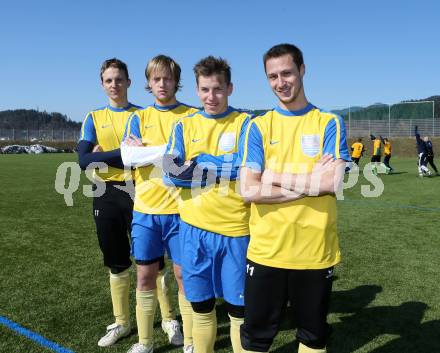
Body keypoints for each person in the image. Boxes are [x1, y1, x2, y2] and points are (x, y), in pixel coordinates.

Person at [239, 43, 350, 353]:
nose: (280, 82)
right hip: (266, 249)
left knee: (313, 335)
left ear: (302, 70)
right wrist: (310, 181)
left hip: (314, 250)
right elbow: (248, 190)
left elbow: (332, 181)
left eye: (286, 72)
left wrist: (272, 176)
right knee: (256, 337)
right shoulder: (257, 127)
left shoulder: (329, 122)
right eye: (272, 76)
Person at [77, 58, 177, 348]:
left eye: (119, 79)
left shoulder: (143, 115)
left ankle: (170, 318)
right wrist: (121, 153)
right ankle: (122, 322)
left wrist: (104, 154)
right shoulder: (94, 117)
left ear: (129, 82)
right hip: (105, 192)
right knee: (116, 262)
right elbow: (83, 160)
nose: (114, 85)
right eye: (109, 80)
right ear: (102, 84)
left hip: (141, 191)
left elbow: (156, 155)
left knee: (153, 262)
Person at [163, 56, 251, 353]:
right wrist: (221, 169)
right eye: (204, 90)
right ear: (197, 90)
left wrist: (200, 161)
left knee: (238, 311)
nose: (210, 97)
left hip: (235, 231)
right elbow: (171, 173)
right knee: (201, 307)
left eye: (217, 89)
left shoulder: (247, 124)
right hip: (193, 230)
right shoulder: (183, 126)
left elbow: (247, 168)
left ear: (230, 88)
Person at [121, 55, 198, 353]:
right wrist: (170, 152)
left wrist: (148, 152)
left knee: (183, 276)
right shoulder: (138, 118)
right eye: (156, 79)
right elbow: (128, 158)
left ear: (176, 81)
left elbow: (195, 158)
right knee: (144, 276)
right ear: (149, 83)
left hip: (183, 211)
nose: (162, 84)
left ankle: (190, 340)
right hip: (146, 211)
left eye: (167, 78)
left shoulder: (191, 116)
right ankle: (145, 342)